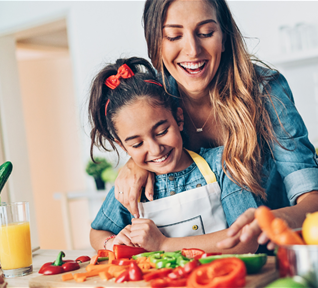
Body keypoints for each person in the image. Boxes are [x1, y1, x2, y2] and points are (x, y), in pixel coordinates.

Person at [115, 0, 318, 250]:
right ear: (156, 43)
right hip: (194, 266)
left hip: (273, 256)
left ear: (224, 36)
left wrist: (270, 219)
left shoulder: (265, 91)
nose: (192, 50)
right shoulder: (155, 99)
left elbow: (316, 201)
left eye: (206, 33)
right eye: (174, 36)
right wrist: (134, 162)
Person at [87, 57, 262, 253]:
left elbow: (247, 239)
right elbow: (97, 232)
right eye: (137, 144)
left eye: (162, 132)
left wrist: (163, 245)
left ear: (179, 119)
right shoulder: (131, 188)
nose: (155, 149)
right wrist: (112, 243)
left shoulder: (222, 165)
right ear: (123, 147)